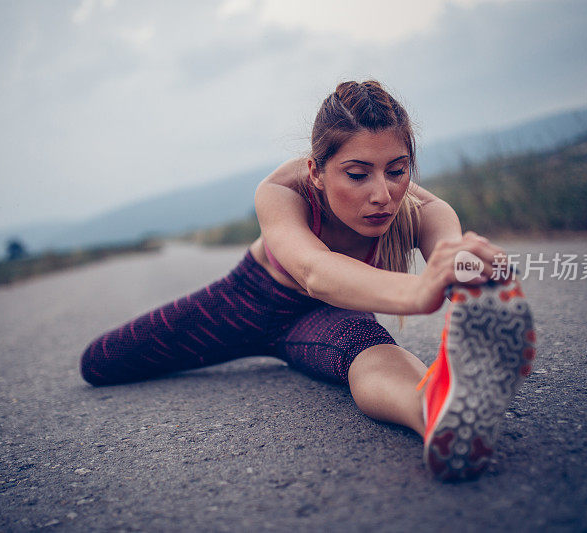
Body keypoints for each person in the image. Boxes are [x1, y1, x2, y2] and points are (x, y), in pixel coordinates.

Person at [79, 80, 536, 481]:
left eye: (397, 171)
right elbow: (316, 272)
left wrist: (474, 278)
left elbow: (448, 259)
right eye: (357, 174)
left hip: (329, 320)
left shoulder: (425, 210)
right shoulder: (280, 192)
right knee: (101, 362)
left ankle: (439, 413)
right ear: (317, 171)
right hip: (247, 303)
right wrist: (418, 291)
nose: (383, 194)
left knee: (371, 353)